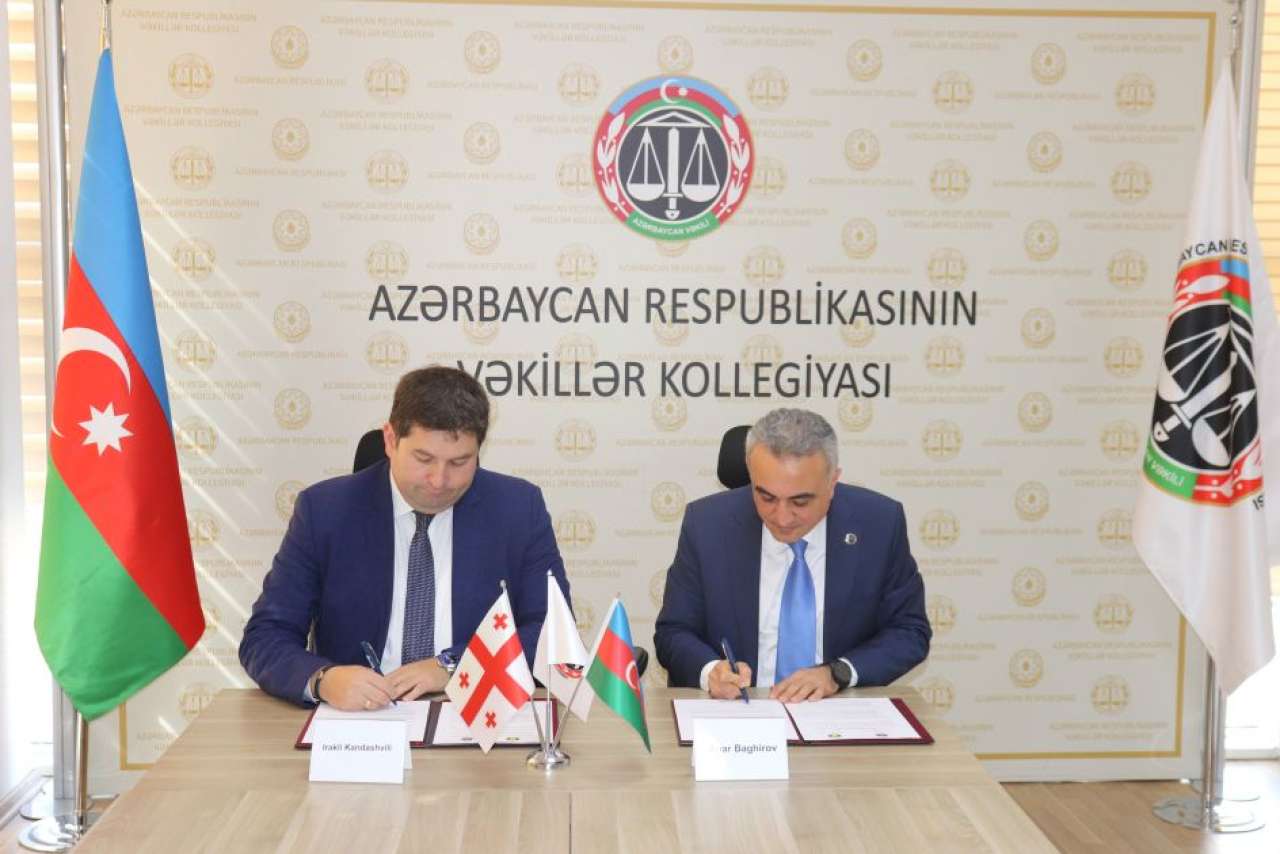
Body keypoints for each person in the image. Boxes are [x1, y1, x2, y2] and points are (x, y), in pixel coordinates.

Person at [240, 366, 568, 711]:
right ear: (390, 440)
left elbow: (554, 635)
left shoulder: (518, 509)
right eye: (424, 459)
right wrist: (324, 679)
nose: (439, 480)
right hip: (360, 718)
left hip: (475, 712)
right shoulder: (325, 511)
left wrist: (455, 665)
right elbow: (266, 637)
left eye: (459, 462)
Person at [654, 408, 930, 702]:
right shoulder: (707, 524)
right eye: (766, 497)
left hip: (837, 709)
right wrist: (710, 671)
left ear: (832, 483)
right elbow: (673, 632)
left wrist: (838, 673)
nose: (782, 518)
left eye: (800, 501)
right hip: (740, 712)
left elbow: (909, 631)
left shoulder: (879, 524)